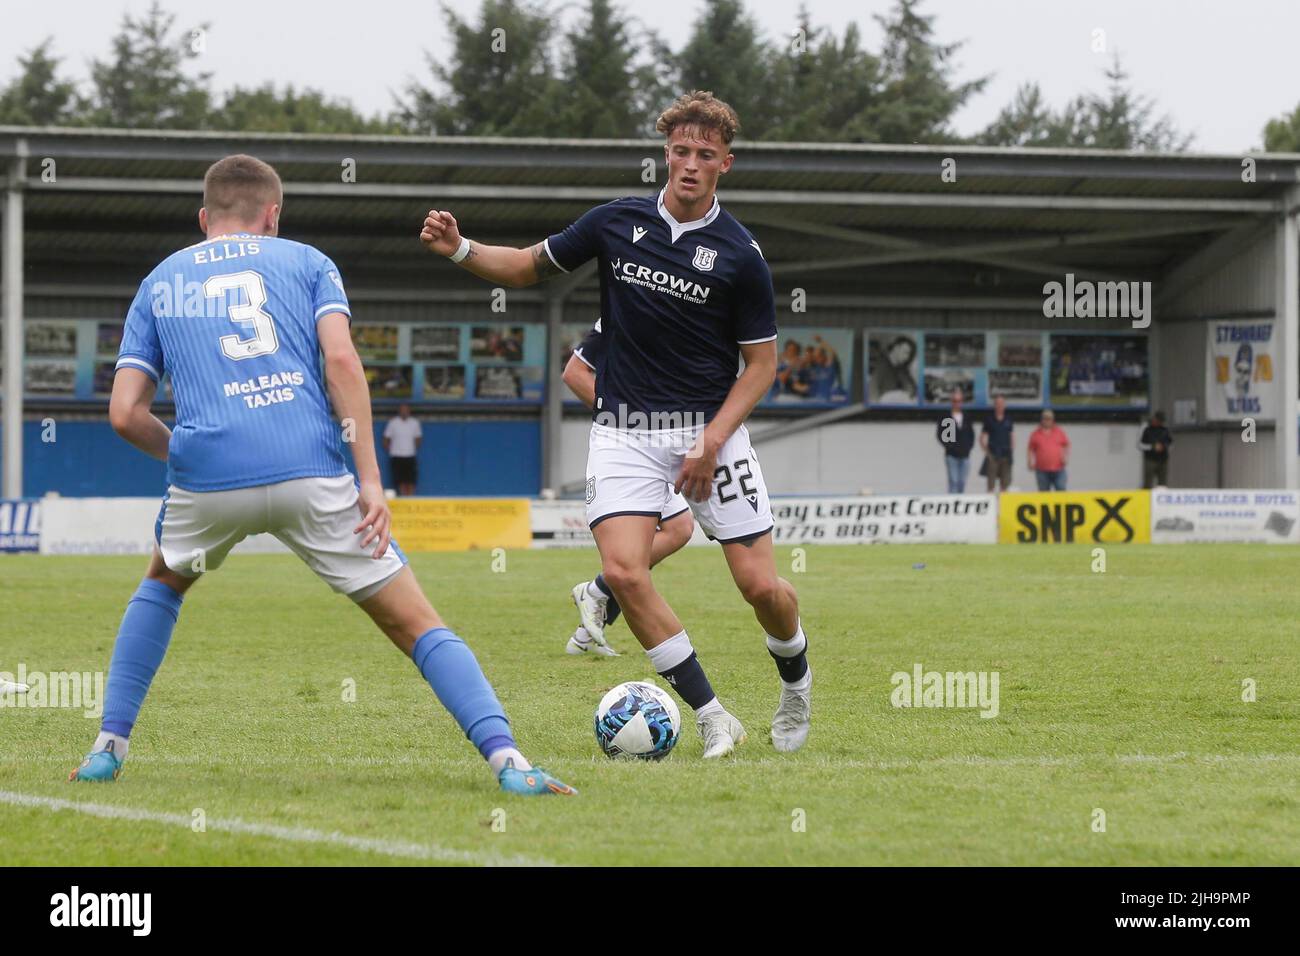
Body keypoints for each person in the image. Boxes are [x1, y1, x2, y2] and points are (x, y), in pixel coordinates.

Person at [72, 154, 574, 797]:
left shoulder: (159, 281)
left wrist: (190, 454)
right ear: (273, 215)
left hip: (207, 477)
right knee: (416, 624)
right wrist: (370, 477)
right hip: (312, 467)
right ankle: (508, 762)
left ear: (204, 218)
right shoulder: (308, 261)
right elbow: (341, 362)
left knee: (163, 585)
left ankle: (107, 749)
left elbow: (123, 414)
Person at [420, 90, 811, 758]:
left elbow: (762, 366)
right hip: (625, 430)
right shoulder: (615, 221)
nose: (690, 164)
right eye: (681, 151)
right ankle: (715, 715)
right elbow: (522, 265)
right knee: (625, 575)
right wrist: (461, 249)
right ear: (666, 154)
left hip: (707, 432)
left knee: (762, 588)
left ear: (726, 165)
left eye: (704, 155)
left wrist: (711, 441)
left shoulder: (742, 256)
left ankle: (796, 681)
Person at [562, 318, 695, 657]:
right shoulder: (620, 309)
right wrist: (625, 425)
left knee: (678, 528)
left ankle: (586, 627)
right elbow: (575, 373)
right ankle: (594, 596)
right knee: (660, 538)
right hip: (632, 447)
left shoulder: (684, 301)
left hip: (664, 438)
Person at [936, 390, 975, 493]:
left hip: (965, 455)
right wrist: (951, 447)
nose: (957, 403)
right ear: (951, 402)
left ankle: (960, 503)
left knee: (962, 482)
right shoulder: (947, 417)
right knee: (953, 481)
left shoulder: (966, 416)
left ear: (962, 402)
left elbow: (971, 434)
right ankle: (952, 503)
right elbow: (941, 435)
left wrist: (968, 447)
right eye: (954, 401)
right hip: (952, 455)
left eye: (959, 401)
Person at [382, 403, 422, 496]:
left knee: (411, 479)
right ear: (399, 411)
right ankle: (404, 498)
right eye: (402, 410)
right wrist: (393, 449)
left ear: (409, 411)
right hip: (396, 456)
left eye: (406, 410)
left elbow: (418, 439)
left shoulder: (414, 423)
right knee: (400, 480)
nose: (404, 412)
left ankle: (410, 498)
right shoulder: (393, 423)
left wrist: (410, 449)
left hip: (410, 455)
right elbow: (386, 439)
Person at [1027, 408, 1070, 491]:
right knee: (1044, 494)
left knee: (1061, 489)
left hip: (1059, 469)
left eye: (1049, 419)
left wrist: (1066, 457)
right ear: (1041, 419)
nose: (1047, 421)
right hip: (1041, 470)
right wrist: (1030, 462)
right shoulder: (1035, 434)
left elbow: (1067, 445)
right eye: (1045, 418)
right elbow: (1030, 449)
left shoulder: (1059, 432)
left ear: (1053, 420)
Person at [980, 395, 1014, 492]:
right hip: (993, 455)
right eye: (997, 404)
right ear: (995, 405)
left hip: (1006, 455)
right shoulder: (989, 419)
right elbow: (982, 438)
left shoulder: (1009, 419)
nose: (1000, 406)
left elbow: (1011, 436)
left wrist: (1011, 451)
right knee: (991, 485)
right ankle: (992, 505)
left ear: (1004, 405)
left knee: (1005, 485)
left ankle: (1003, 506)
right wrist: (987, 453)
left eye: (1002, 403)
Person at [1138, 410, 1173, 488]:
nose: (1158, 423)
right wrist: (1152, 447)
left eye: (1160, 421)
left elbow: (1171, 443)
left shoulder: (1165, 429)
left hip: (1163, 460)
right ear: (1154, 419)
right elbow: (1139, 445)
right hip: (1150, 459)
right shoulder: (1146, 428)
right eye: (1157, 420)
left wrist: (1164, 447)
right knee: (1147, 483)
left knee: (1162, 484)